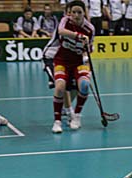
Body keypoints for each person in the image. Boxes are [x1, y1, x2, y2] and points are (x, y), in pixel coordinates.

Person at [51, 0, 95, 133]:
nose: (76, 15)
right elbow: (61, 31)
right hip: (62, 60)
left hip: (79, 62)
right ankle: (57, 121)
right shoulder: (65, 21)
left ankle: (76, 116)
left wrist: (86, 53)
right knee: (60, 87)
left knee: (85, 85)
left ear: (84, 13)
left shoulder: (90, 29)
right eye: (73, 12)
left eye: (79, 12)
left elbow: (89, 48)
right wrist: (78, 36)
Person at [42, 2, 75, 126]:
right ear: (66, 13)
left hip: (65, 59)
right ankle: (70, 113)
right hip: (51, 58)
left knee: (76, 85)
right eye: (71, 12)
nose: (73, 15)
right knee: (62, 84)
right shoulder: (64, 24)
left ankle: (65, 108)